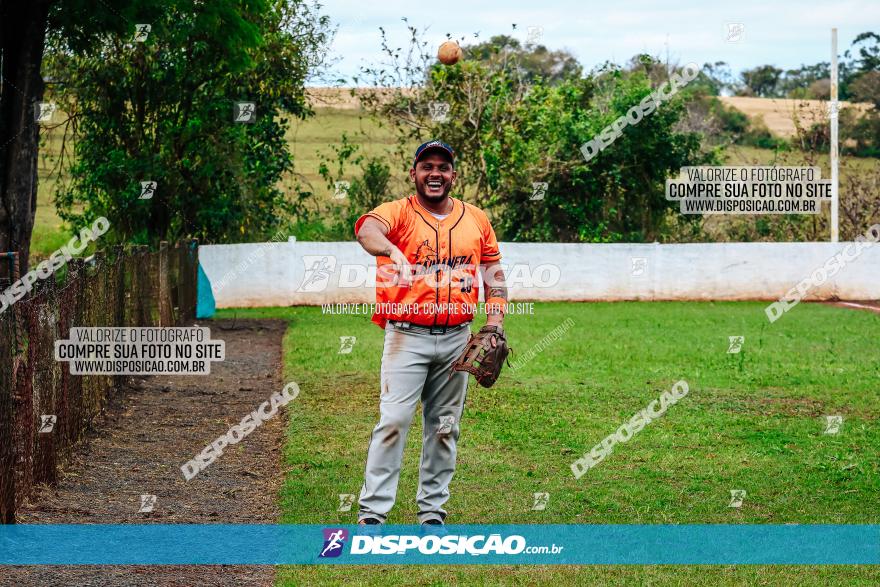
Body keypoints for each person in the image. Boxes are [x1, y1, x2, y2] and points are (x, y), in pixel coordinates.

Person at [353, 140, 508, 525]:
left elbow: (494, 274)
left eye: (443, 166)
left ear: (453, 174)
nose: (434, 173)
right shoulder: (397, 213)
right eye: (427, 166)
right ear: (414, 173)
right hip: (407, 336)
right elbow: (367, 231)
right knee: (393, 421)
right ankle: (373, 513)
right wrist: (391, 249)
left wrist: (495, 322)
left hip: (458, 337)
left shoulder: (476, 219)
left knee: (444, 428)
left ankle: (432, 513)